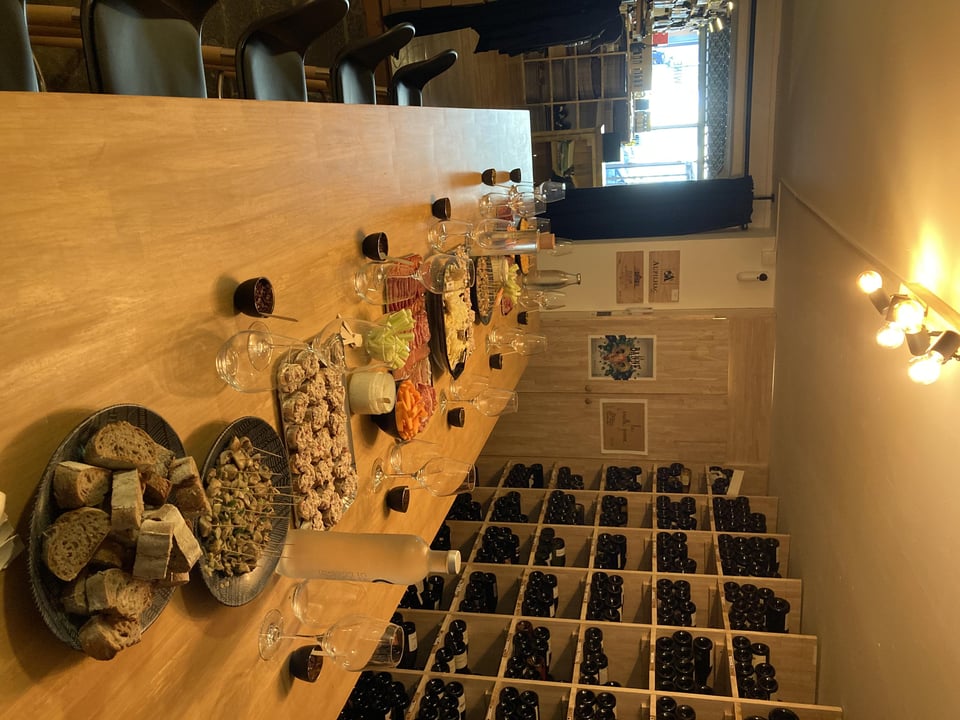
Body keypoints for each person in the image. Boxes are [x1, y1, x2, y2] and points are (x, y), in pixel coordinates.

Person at [384, 0, 624, 56]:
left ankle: (402, 27)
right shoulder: (595, 21)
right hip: (521, 18)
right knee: (461, 17)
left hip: (522, 12)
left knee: (461, 17)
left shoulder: (599, 14)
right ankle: (400, 27)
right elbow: (553, 28)